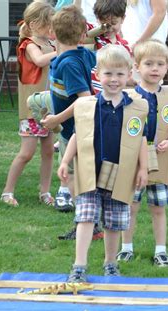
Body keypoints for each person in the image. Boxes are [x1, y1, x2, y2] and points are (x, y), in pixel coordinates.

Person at [58, 44, 148, 282]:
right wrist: (65, 161)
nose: (114, 79)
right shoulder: (88, 106)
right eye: (108, 73)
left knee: (113, 223)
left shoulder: (136, 108)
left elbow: (141, 140)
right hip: (90, 173)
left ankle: (110, 263)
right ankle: (79, 266)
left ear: (129, 74)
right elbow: (78, 135)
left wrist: (144, 169)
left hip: (121, 174)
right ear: (97, 74)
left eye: (120, 74)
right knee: (85, 217)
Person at [116, 39, 168, 267]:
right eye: (149, 63)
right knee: (131, 206)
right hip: (134, 162)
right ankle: (126, 248)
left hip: (161, 160)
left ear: (167, 67)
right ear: (137, 67)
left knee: (158, 208)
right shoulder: (129, 98)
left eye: (160, 64)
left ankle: (161, 251)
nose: (155, 68)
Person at [0, 1, 57, 207]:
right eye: (48, 24)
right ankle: (7, 192)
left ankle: (45, 191)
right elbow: (40, 61)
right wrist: (62, 51)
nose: (52, 29)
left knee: (49, 151)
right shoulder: (28, 44)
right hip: (32, 110)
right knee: (27, 153)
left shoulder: (51, 44)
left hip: (50, 108)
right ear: (33, 24)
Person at [40, 5, 96, 212]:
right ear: (82, 36)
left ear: (51, 33)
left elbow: (85, 99)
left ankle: (83, 214)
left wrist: (56, 120)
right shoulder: (82, 54)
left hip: (73, 128)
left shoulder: (69, 64)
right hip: (69, 123)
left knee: (71, 171)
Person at [87, 0, 130, 93]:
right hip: (92, 95)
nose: (109, 28)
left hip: (114, 96)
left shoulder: (124, 46)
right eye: (104, 25)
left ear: (123, 18)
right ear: (97, 19)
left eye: (113, 23)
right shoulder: (94, 36)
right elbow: (77, 25)